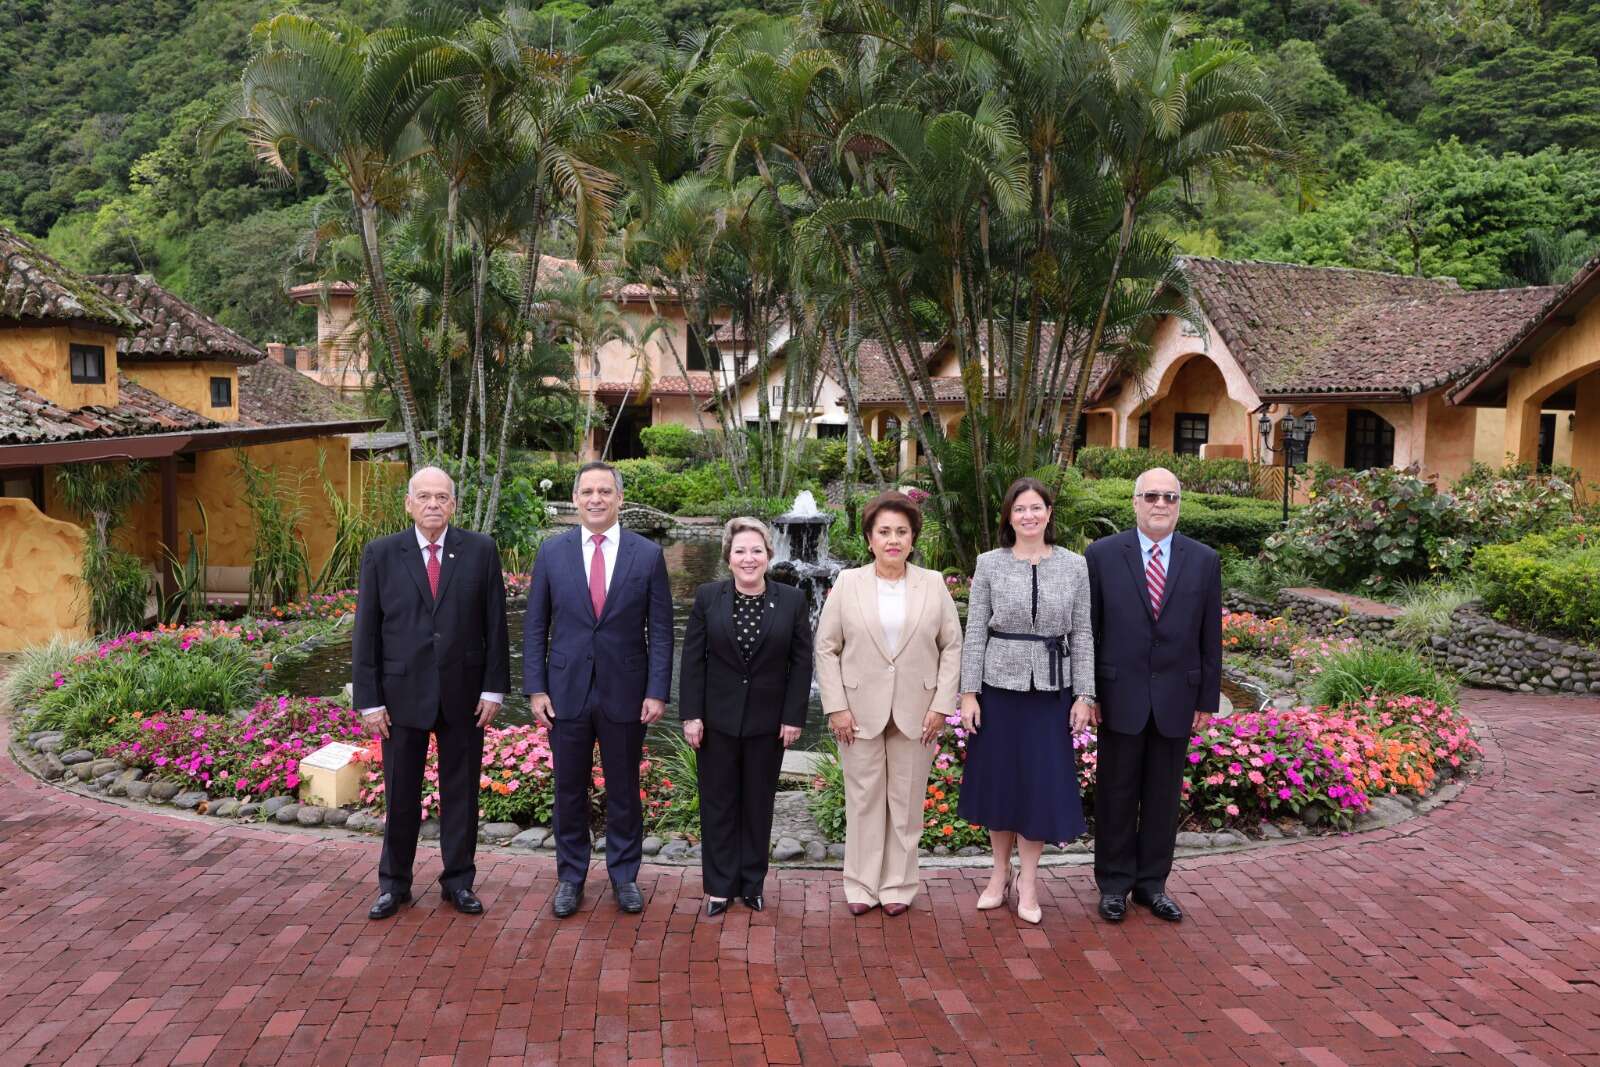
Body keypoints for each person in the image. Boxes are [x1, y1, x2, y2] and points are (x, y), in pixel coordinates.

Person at [353, 466, 509, 920]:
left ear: (454, 504)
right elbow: (367, 632)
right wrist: (369, 699)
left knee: (461, 794)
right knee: (400, 793)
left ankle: (458, 882)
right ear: (409, 503)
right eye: (424, 496)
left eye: (442, 497)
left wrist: (494, 688)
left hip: (464, 696)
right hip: (400, 697)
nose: (433, 504)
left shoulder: (480, 551)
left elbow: (495, 625)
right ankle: (394, 884)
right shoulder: (382, 554)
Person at [524, 461, 674, 918]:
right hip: (564, 692)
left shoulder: (646, 554)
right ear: (575, 499)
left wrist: (657, 691)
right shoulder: (552, 552)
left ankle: (624, 875)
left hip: (626, 692)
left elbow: (662, 631)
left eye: (605, 491)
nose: (595, 499)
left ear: (619, 498)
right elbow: (535, 627)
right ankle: (570, 877)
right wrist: (535, 689)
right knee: (568, 789)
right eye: (587, 491)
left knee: (624, 788)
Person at [1084, 467, 1221, 924]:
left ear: (1180, 504)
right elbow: (1089, 631)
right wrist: (1089, 692)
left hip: (1176, 699)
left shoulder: (1203, 560)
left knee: (1163, 799)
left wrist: (1207, 698)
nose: (1161, 504)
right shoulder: (1102, 556)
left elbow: (1210, 636)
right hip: (1118, 695)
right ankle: (1114, 885)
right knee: (1116, 795)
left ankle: (1151, 886)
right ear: (1135, 502)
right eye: (1152, 496)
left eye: (1170, 497)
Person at [814, 491, 962, 917]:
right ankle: (861, 885)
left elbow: (952, 647)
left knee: (907, 800)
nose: (893, 540)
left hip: (919, 712)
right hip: (857, 713)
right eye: (884, 532)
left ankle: (898, 884)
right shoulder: (848, 584)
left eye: (901, 531)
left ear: (913, 539)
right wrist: (836, 706)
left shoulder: (932, 584)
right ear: (869, 539)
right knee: (863, 802)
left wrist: (941, 705)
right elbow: (826, 648)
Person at [956, 478, 1097, 924]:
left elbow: (1084, 634)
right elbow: (975, 630)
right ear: (1009, 516)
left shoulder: (1075, 566)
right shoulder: (990, 564)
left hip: (1051, 691)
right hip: (999, 689)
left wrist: (1084, 694)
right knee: (1001, 783)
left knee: (1038, 785)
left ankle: (1029, 881)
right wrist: (968, 692)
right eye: (1020, 509)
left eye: (1037, 508)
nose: (1029, 516)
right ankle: (998, 874)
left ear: (1049, 513)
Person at [678, 517, 813, 918]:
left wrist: (793, 717)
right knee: (718, 804)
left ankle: (751, 884)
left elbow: (801, 663)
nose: (749, 558)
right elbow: (692, 661)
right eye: (740, 551)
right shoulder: (708, 597)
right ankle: (719, 887)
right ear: (728, 557)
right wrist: (691, 715)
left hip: (768, 724)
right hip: (716, 721)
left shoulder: (791, 600)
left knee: (757, 805)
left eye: (757, 550)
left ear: (769, 555)